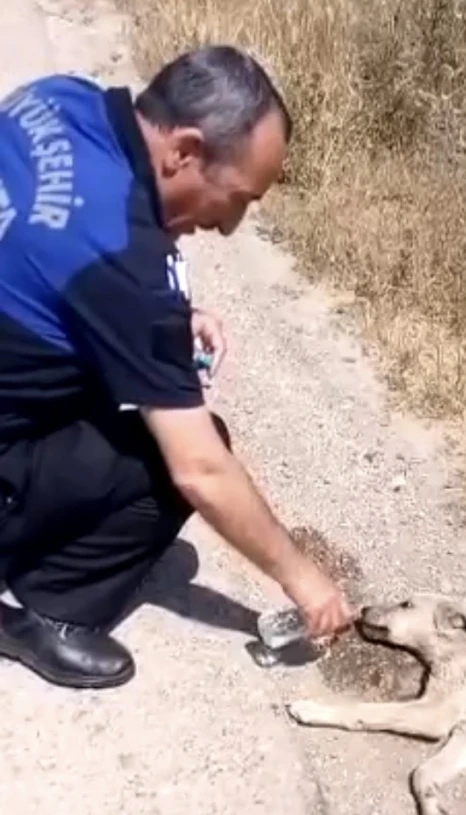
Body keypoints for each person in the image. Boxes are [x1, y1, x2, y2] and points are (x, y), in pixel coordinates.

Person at [0, 45, 353, 689]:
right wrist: (304, 578)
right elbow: (201, 472)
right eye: (238, 198)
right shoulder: (125, 265)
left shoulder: (55, 100)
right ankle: (50, 612)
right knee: (183, 452)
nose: (228, 226)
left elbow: (42, 244)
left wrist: (163, 320)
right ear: (185, 150)